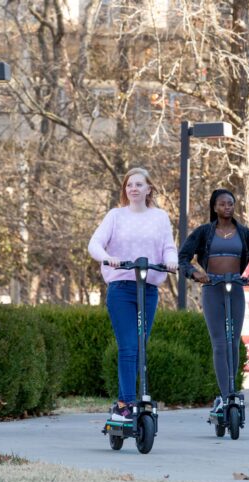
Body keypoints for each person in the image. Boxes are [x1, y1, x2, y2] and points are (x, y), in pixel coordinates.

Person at [88, 167, 178, 422]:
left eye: (139, 184)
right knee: (128, 347)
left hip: (148, 289)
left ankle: (125, 402)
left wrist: (171, 263)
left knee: (139, 348)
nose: (134, 188)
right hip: (122, 289)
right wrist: (108, 258)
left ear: (149, 188)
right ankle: (126, 403)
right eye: (130, 185)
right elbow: (94, 244)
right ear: (125, 190)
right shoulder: (115, 216)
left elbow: (168, 248)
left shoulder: (160, 217)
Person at [178, 188, 249, 414]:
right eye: (222, 204)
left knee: (233, 341)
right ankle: (226, 395)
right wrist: (195, 273)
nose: (227, 207)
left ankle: (233, 392)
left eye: (230, 203)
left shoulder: (244, 233)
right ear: (214, 207)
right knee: (219, 343)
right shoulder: (203, 233)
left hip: (236, 288)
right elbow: (183, 258)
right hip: (213, 289)